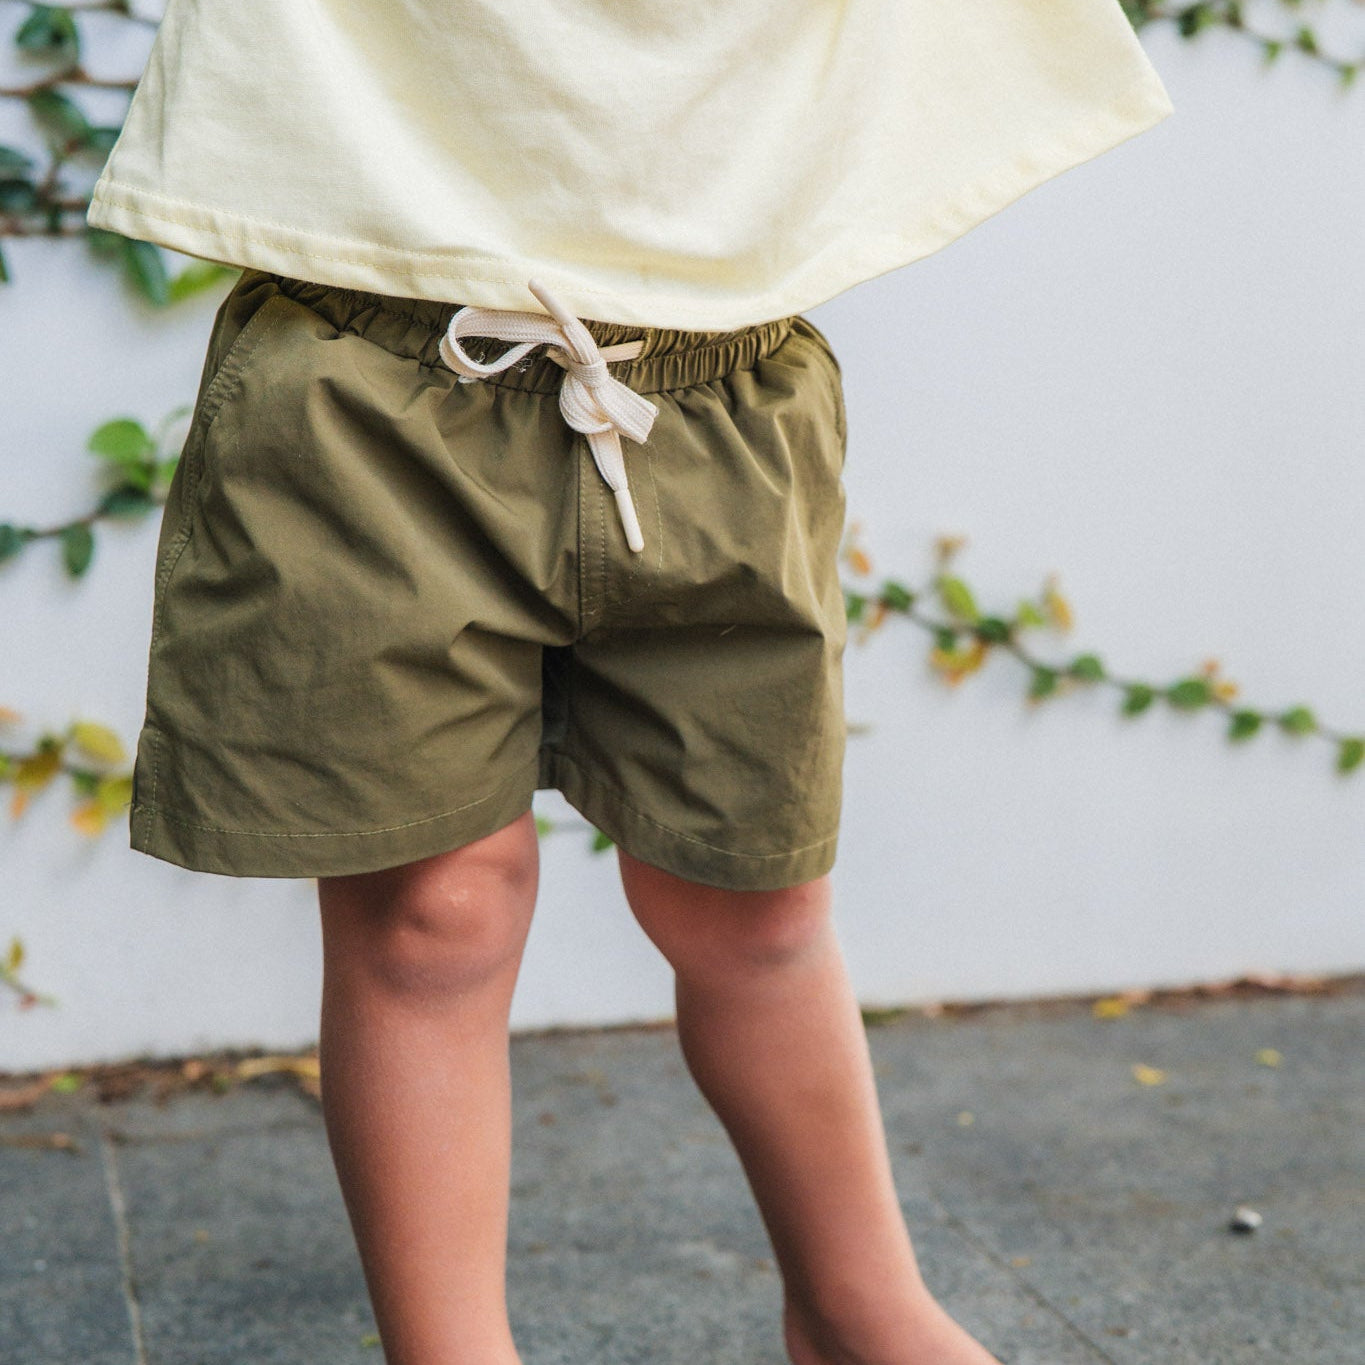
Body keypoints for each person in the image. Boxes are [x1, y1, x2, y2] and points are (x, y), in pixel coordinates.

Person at [87, 3, 1174, 1361]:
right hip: (368, 359)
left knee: (754, 902)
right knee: (430, 911)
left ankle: (855, 1311)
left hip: (718, 369)